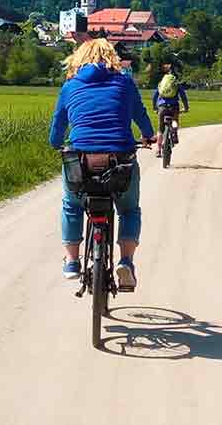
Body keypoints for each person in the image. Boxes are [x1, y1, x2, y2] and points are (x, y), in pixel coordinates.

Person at [49, 38, 155, 289]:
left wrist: (55, 143)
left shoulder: (70, 85)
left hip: (81, 160)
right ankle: (126, 262)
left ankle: (72, 261)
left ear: (79, 59)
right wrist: (149, 136)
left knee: (72, 205)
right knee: (128, 210)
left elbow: (58, 125)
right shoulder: (125, 83)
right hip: (120, 160)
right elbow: (140, 115)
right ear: (111, 58)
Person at [152, 66, 189, 158]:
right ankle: (174, 133)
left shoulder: (161, 83)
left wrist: (155, 108)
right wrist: (186, 108)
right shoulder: (177, 84)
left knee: (160, 129)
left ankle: (158, 150)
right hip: (174, 107)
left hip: (162, 107)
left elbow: (154, 97)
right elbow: (183, 97)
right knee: (175, 120)